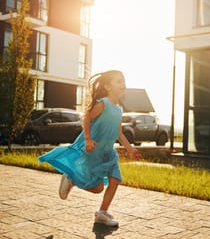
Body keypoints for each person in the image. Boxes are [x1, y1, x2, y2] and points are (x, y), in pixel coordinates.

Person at [38, 70, 141, 227]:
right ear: (107, 86)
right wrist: (87, 139)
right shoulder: (102, 103)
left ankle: (102, 213)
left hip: (108, 154)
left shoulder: (119, 109)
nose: (123, 84)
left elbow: (119, 133)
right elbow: (87, 118)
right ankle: (71, 179)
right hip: (93, 151)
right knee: (97, 188)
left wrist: (130, 149)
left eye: (124, 81)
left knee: (115, 180)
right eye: (118, 81)